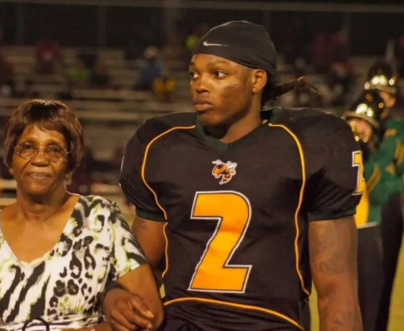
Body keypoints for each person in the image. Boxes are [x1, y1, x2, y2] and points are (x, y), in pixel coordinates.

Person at [115, 21, 363, 331]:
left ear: (257, 79)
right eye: (194, 74)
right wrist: (115, 297)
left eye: (217, 74)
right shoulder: (162, 144)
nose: (200, 85)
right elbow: (142, 273)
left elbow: (337, 289)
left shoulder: (308, 143)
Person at [0, 100, 164, 330]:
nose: (40, 159)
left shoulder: (99, 218)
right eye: (27, 147)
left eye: (54, 149)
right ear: (10, 159)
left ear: (69, 162)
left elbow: (150, 312)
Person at [342, 90, 399, 331]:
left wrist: (363, 161)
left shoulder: (378, 166)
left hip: (365, 237)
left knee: (368, 312)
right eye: (355, 120)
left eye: (365, 123)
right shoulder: (333, 158)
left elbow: (379, 195)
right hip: (336, 237)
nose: (359, 127)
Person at [364, 61, 404, 331]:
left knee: (382, 281)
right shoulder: (354, 119)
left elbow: (394, 169)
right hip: (353, 206)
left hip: (385, 207)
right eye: (376, 92)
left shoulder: (397, 129)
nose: (382, 99)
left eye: (385, 93)